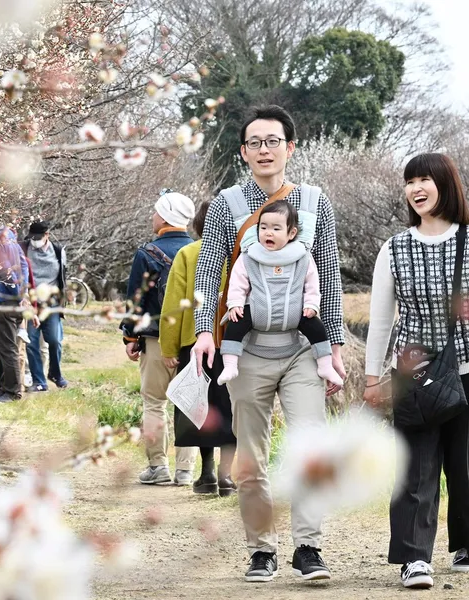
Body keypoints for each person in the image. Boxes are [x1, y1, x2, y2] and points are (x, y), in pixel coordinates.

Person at [193, 105, 346, 582]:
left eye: (273, 140)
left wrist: (333, 346)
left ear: (290, 147)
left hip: (302, 348)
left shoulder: (316, 202)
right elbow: (208, 268)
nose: (264, 149)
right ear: (243, 151)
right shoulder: (226, 204)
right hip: (248, 348)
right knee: (250, 454)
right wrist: (204, 330)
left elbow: (331, 278)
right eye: (255, 142)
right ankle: (261, 549)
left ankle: (308, 547)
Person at [363, 153, 469, 590]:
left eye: (425, 180)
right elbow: (381, 319)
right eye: (409, 181)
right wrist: (371, 377)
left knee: (466, 462)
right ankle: (415, 559)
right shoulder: (394, 247)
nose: (416, 189)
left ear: (446, 184)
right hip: (413, 372)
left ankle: (466, 544)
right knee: (413, 466)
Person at [217, 200, 343, 388]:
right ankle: (230, 365)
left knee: (317, 328)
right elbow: (238, 281)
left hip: (294, 311)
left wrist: (311, 304)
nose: (268, 232)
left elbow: (312, 283)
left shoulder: (302, 256)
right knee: (235, 325)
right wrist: (235, 303)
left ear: (291, 233)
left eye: (276, 229)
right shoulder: (249, 255)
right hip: (257, 309)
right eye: (264, 227)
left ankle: (325, 365)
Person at [159, 199, 237, 496]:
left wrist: (168, 347)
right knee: (231, 409)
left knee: (199, 409)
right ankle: (226, 476)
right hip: (233, 344)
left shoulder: (188, 253)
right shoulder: (239, 253)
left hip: (195, 343)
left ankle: (206, 475)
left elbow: (174, 305)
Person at [122, 190, 199, 485]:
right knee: (189, 403)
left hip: (155, 340)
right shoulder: (197, 251)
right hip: (191, 339)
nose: (152, 217)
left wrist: (130, 337)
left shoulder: (147, 253)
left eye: (155, 212)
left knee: (155, 402)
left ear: (165, 216)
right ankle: (185, 471)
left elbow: (135, 301)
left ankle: (158, 467)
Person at [0, 219, 30, 403]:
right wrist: (23, 292)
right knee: (8, 347)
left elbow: (5, 272)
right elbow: (23, 266)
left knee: (7, 348)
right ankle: (4, 389)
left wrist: (17, 295)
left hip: (5, 300)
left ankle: (11, 392)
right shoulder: (12, 240)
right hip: (15, 300)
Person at [20, 221, 69, 391]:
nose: (35, 240)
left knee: (54, 340)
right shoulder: (24, 248)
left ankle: (55, 373)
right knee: (32, 342)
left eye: (38, 237)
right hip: (31, 302)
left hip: (51, 303)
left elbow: (63, 276)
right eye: (32, 237)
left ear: (47, 235)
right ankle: (39, 381)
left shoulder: (58, 251)